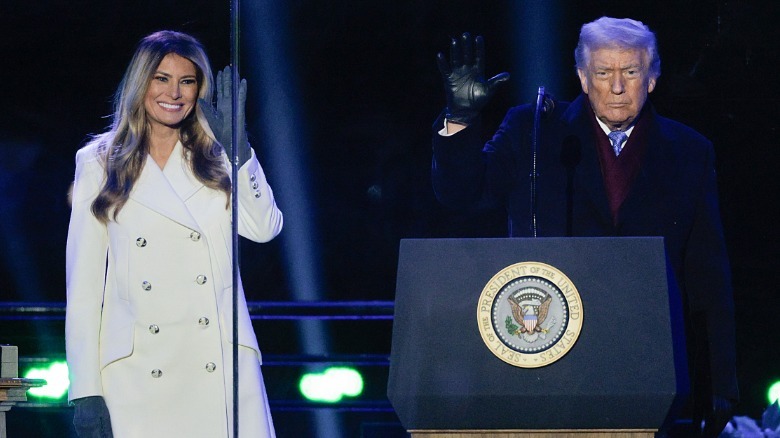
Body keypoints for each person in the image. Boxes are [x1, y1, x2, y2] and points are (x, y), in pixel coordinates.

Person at [432, 17, 737, 437]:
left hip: (646, 370)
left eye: (630, 72)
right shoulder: (532, 131)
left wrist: (719, 381)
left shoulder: (689, 152)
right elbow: (460, 195)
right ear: (582, 77)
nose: (616, 87)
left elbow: (707, 273)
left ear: (651, 78)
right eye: (603, 72)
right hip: (544, 362)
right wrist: (460, 117)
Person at [65, 30, 282, 437]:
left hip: (218, 366)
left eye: (187, 81)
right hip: (136, 375)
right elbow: (84, 289)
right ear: (140, 83)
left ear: (200, 90)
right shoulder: (98, 162)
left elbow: (265, 228)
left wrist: (242, 154)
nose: (174, 93)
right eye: (161, 78)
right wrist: (86, 391)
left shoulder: (222, 156)